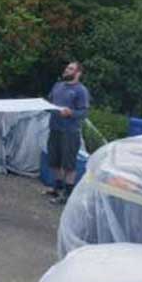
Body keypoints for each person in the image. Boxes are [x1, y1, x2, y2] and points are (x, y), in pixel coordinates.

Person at [47, 61, 90, 205]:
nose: (66, 70)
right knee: (54, 161)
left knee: (68, 165)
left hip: (70, 132)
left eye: (70, 69)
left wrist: (71, 113)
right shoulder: (57, 86)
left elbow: (84, 112)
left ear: (78, 73)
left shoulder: (81, 90)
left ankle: (67, 194)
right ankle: (57, 188)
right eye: (66, 68)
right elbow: (50, 102)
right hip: (54, 128)